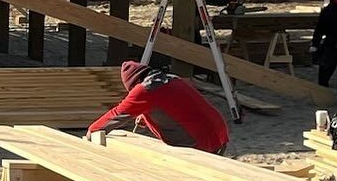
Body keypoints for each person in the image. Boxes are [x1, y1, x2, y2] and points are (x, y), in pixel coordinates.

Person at [87, 59, 230, 152]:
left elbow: (117, 114)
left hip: (201, 142)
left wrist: (92, 131)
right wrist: (148, 115)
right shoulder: (171, 79)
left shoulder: (145, 89)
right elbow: (178, 106)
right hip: (219, 132)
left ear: (133, 84)